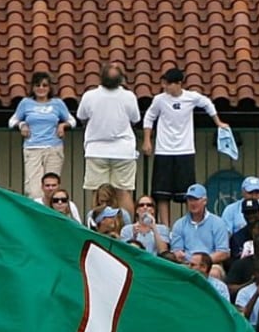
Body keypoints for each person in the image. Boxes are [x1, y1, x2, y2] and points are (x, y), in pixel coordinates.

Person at [142, 67, 229, 227]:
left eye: (169, 84)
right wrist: (147, 140)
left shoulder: (191, 97)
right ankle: (165, 227)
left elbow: (208, 104)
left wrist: (218, 122)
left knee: (187, 193)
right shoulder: (160, 100)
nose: (166, 87)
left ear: (179, 84)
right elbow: (149, 117)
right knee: (162, 194)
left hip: (185, 150)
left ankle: (188, 225)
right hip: (164, 150)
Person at [75, 62, 141, 218]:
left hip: (96, 149)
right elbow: (135, 118)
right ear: (121, 80)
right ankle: (126, 229)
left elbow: (81, 117)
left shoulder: (89, 96)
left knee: (98, 192)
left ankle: (97, 228)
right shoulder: (128, 96)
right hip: (124, 150)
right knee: (123, 192)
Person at [8, 72, 76, 202]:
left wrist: (63, 125)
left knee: (52, 186)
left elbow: (72, 120)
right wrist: (22, 125)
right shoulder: (26, 103)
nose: (41, 88)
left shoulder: (57, 103)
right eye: (37, 85)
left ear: (49, 87)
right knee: (34, 189)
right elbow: (12, 121)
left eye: (44, 85)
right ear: (32, 87)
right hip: (32, 148)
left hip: (54, 148)